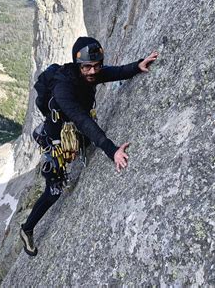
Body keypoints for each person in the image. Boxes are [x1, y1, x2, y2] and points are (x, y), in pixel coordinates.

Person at [19, 37, 158, 256]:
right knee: (54, 190)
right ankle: (27, 229)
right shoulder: (63, 88)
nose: (93, 72)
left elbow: (112, 72)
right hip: (56, 139)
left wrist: (137, 66)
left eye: (96, 65)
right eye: (88, 67)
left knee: (83, 138)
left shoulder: (90, 72)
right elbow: (83, 121)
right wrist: (112, 151)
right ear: (78, 65)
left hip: (71, 127)